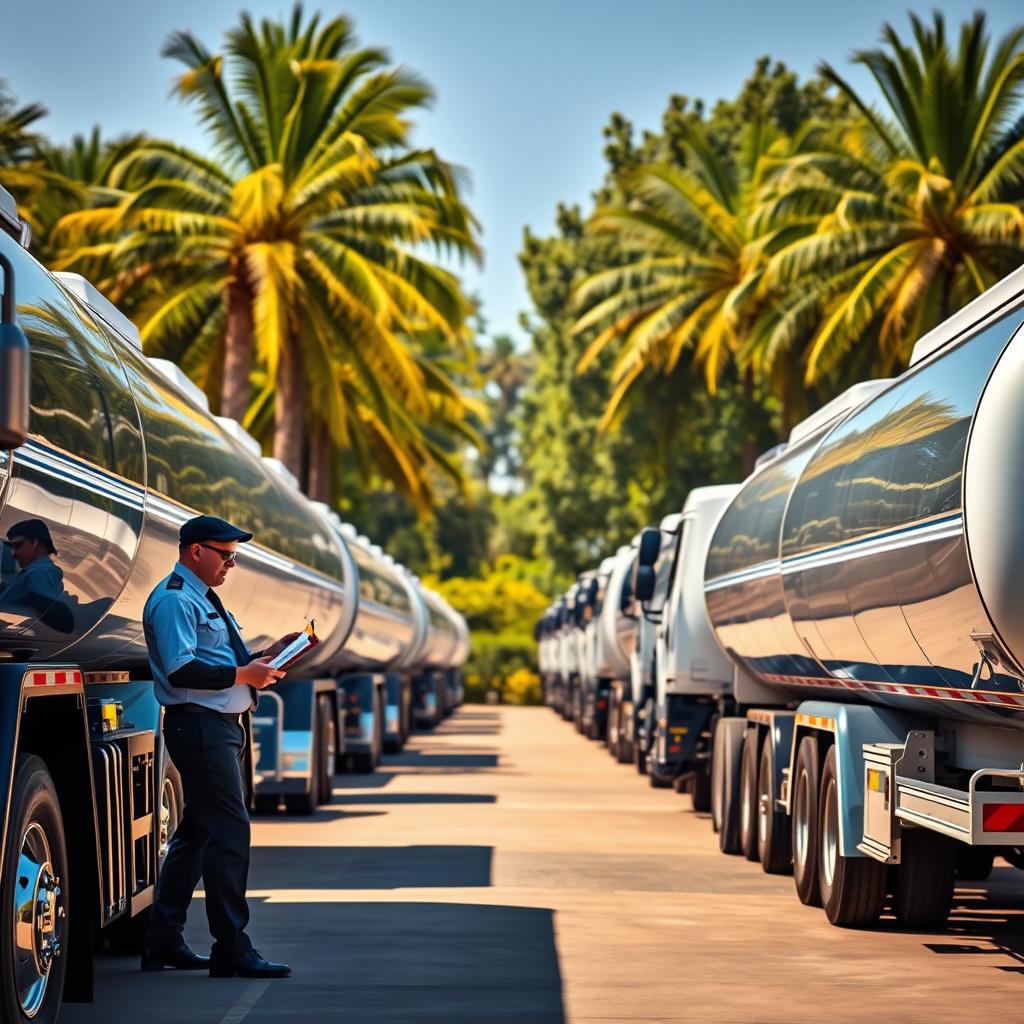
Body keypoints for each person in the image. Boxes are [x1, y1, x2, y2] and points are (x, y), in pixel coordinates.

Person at [140, 514, 298, 979]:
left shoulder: (204, 598)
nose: (231, 565)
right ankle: (231, 946)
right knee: (230, 834)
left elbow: (221, 663)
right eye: (226, 556)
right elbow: (180, 670)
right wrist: (242, 675)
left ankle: (163, 940)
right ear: (195, 551)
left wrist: (265, 659)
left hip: (221, 727)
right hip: (201, 728)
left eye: (235, 557)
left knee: (197, 835)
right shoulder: (173, 601)